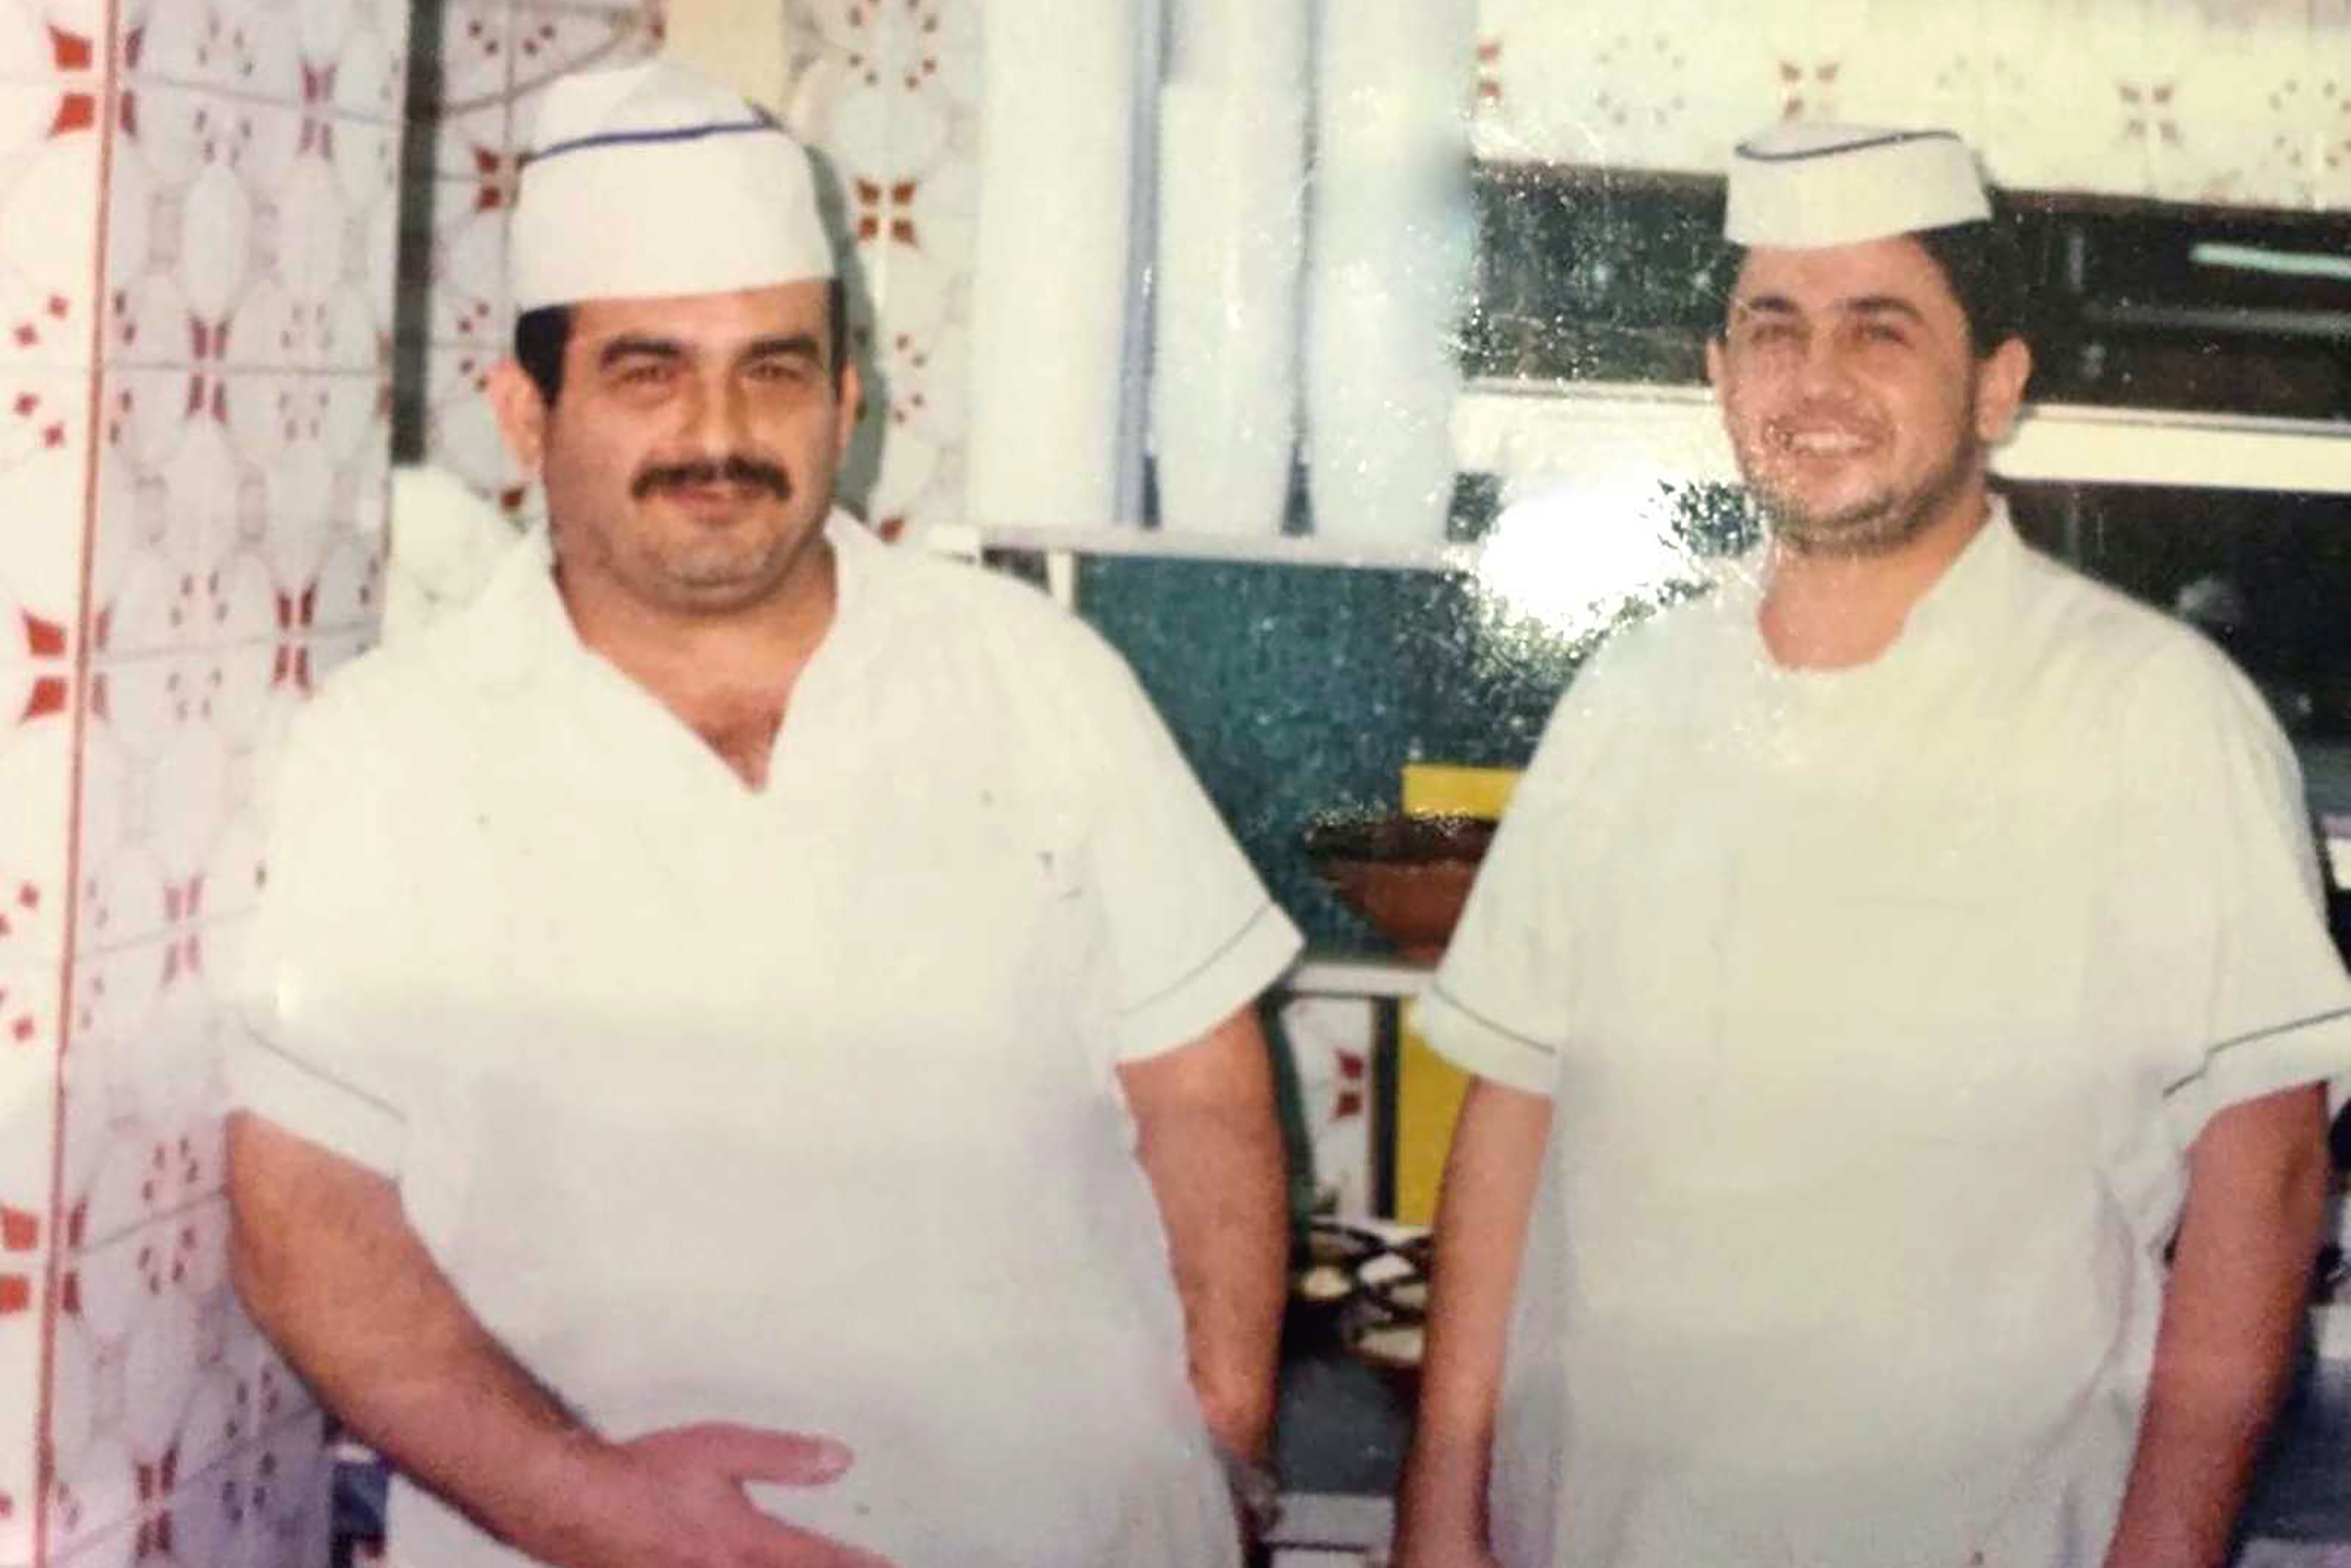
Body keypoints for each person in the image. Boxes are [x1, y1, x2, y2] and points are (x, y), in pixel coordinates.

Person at [223, 59, 1301, 1568]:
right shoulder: (388, 751)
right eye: (648, 369)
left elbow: (1201, 1088)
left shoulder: (1034, 676)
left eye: (774, 368)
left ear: (848, 398)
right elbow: (304, 1213)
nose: (717, 434)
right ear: (526, 411)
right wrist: (590, 1506)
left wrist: (1217, 1444)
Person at [1393, 122, 2351, 1568]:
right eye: (1771, 327)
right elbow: (1515, 1112)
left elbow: (2266, 1173)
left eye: (1880, 330)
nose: (1817, 379)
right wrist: (1439, 1517)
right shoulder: (1631, 697)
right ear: (1716, 379)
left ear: (1999, 383)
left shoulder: (2149, 716)